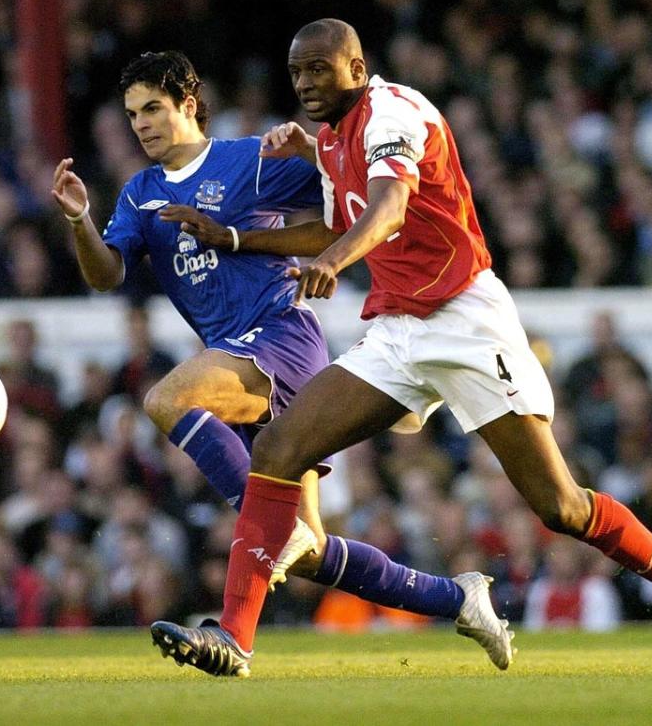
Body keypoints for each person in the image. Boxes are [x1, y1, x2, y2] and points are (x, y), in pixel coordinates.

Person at [151, 20, 652, 676]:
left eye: (319, 70)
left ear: (356, 67)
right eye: (297, 74)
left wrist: (335, 259)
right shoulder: (331, 139)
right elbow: (339, 221)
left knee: (561, 507)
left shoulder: (395, 112)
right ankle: (234, 638)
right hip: (400, 331)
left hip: (467, 321)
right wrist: (238, 239)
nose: (305, 84)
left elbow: (389, 209)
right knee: (277, 448)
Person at [51, 51, 512, 668]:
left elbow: (339, 211)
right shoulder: (140, 196)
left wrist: (273, 225)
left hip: (280, 338)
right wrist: (81, 219)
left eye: (153, 109)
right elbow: (107, 275)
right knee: (313, 551)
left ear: (189, 104)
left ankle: (253, 554)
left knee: (165, 399)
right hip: (232, 362)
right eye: (133, 114)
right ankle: (459, 599)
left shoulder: (248, 160)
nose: (141, 124)